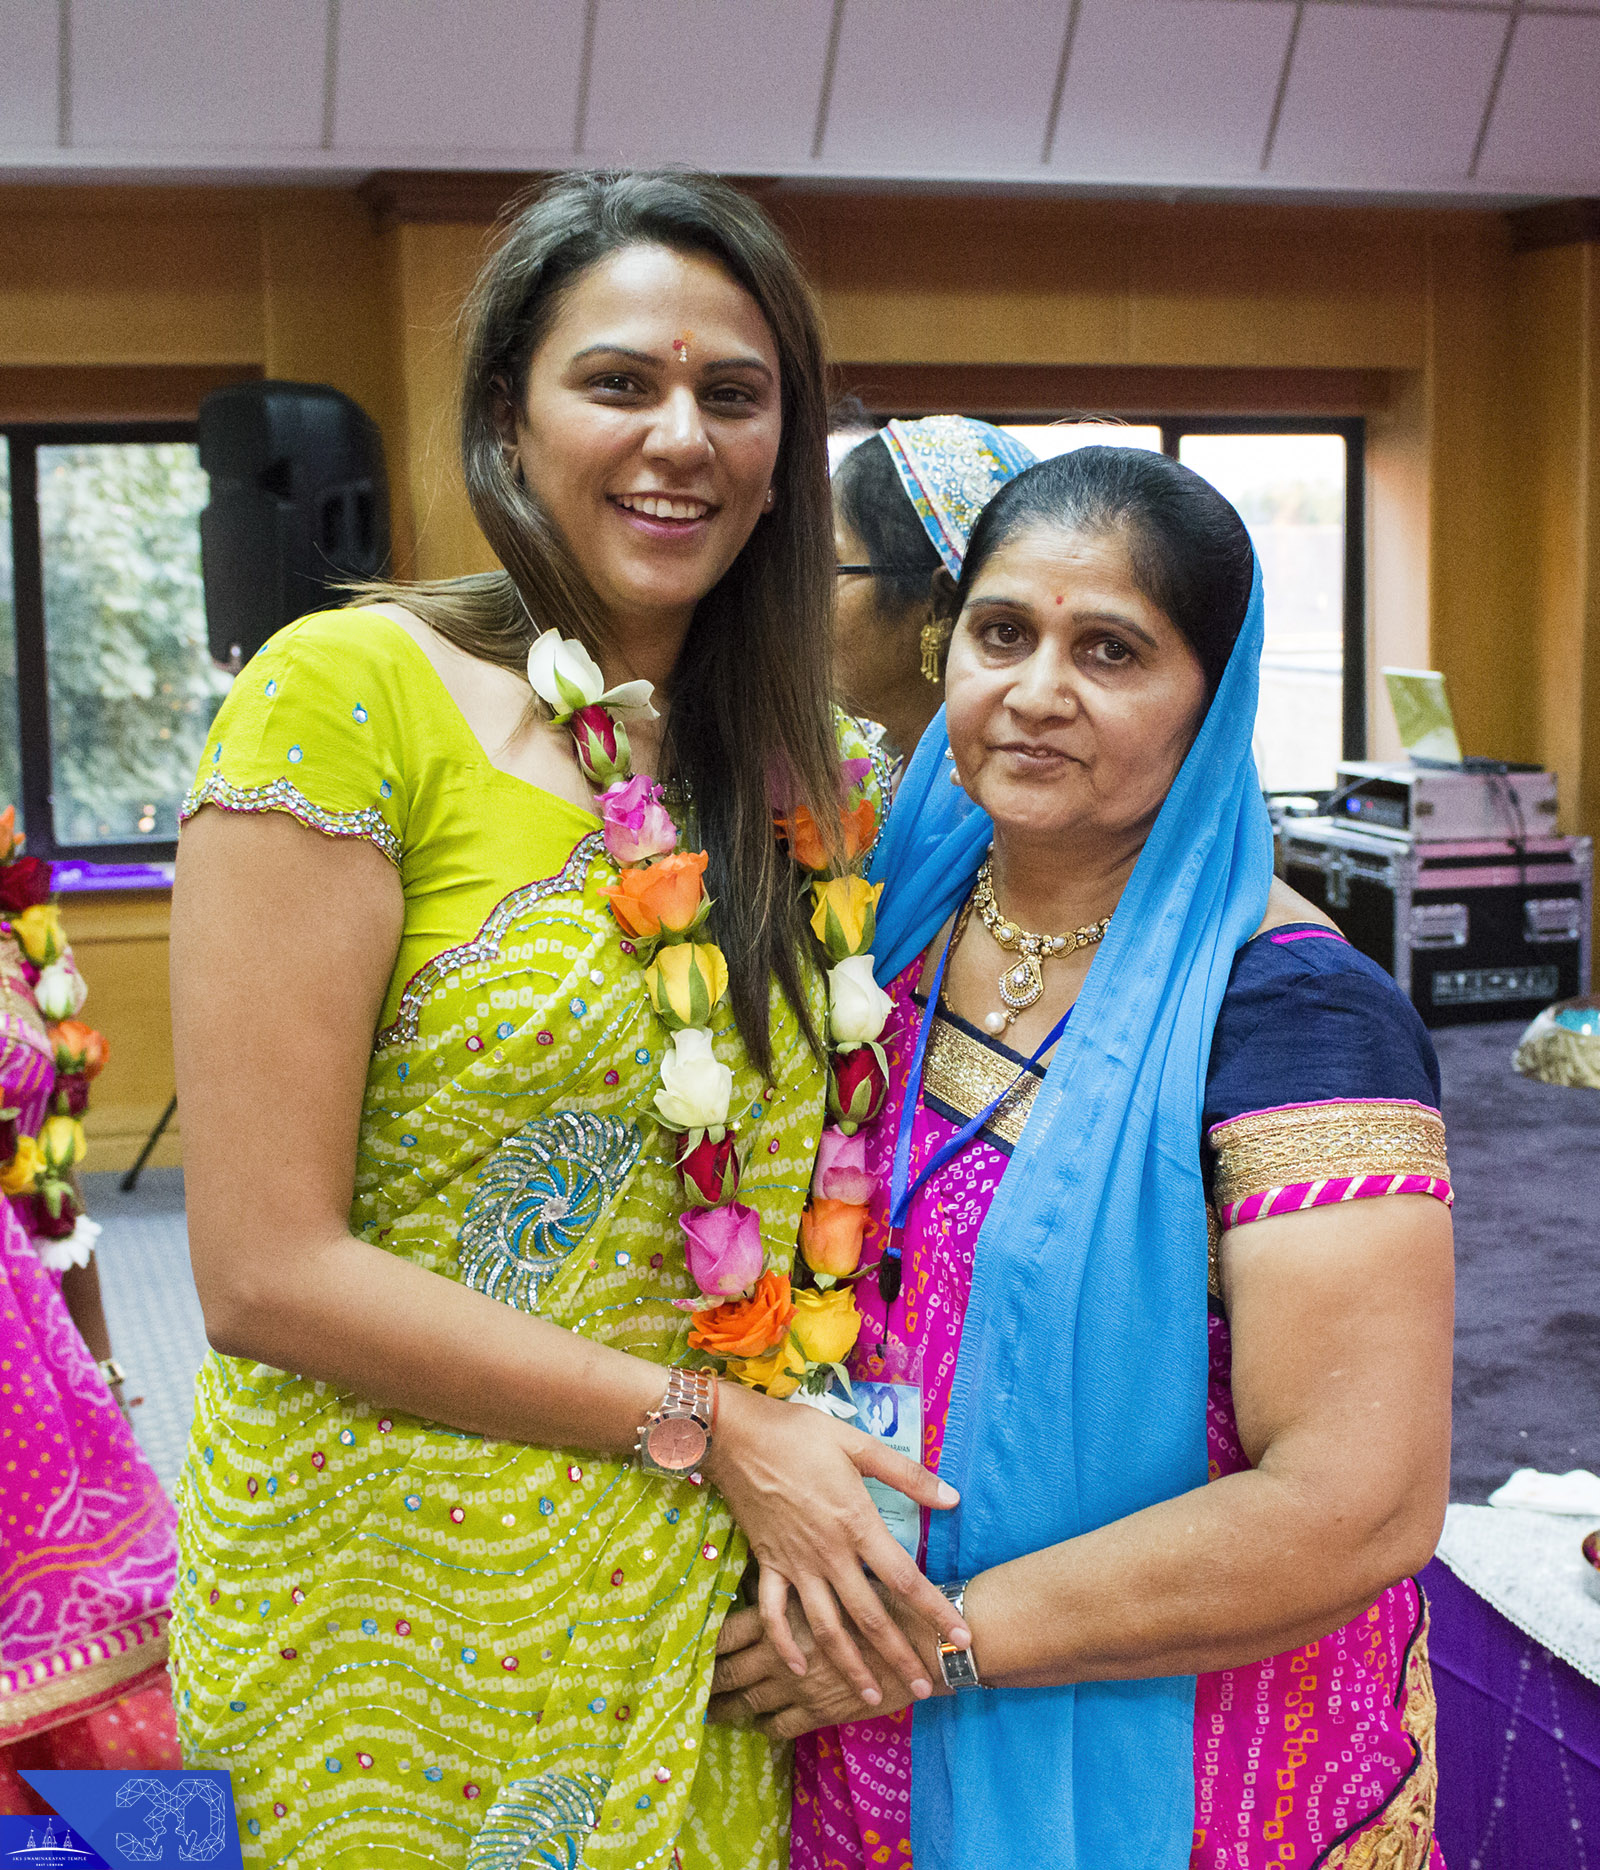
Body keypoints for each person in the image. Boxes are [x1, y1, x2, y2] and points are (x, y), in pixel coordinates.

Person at [167, 170, 968, 1869]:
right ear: (508, 423)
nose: (680, 436)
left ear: (782, 452)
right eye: (619, 382)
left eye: (732, 397)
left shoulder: (816, 773)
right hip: (385, 1602)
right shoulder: (350, 696)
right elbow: (257, 1270)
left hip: (705, 1610)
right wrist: (715, 1431)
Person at [708, 446, 1454, 1868]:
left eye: (1111, 649)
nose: (1038, 691)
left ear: (1212, 697)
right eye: (1003, 633)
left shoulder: (1293, 1013)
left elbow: (1357, 1502)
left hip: (1161, 1751)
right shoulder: (887, 903)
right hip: (852, 1713)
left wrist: (929, 1645)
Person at [0, 813, 179, 1805]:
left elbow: (51, 1182)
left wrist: (105, 1368)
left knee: (107, 1661)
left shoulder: (12, 901)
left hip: (34, 1372)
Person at [831, 418, 1035, 767]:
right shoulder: (878, 781)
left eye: (827, 565)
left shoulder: (1004, 807)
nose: (795, 602)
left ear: (943, 604)